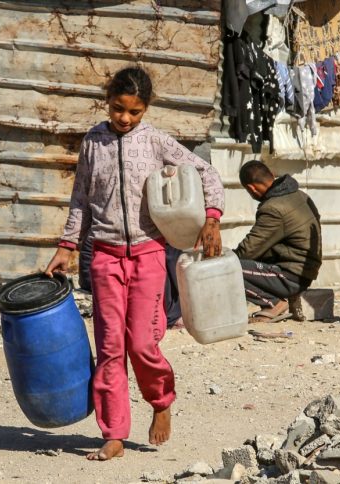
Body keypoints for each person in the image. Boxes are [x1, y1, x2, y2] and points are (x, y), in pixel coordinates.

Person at [45, 67, 225, 461]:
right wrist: (67, 246)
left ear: (146, 109)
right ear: (107, 102)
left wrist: (212, 217)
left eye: (135, 112)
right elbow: (80, 199)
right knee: (110, 348)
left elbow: (207, 172)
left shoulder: (157, 141)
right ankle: (113, 434)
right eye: (118, 109)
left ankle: (161, 400)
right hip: (105, 256)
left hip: (148, 254)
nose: (125, 119)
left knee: (143, 343)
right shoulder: (93, 142)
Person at [233, 160, 322, 324]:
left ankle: (273, 303)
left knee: (228, 269)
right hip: (304, 271)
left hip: (290, 276)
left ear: (251, 188)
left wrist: (223, 258)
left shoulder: (273, 208)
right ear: (272, 176)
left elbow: (249, 250)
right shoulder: (299, 195)